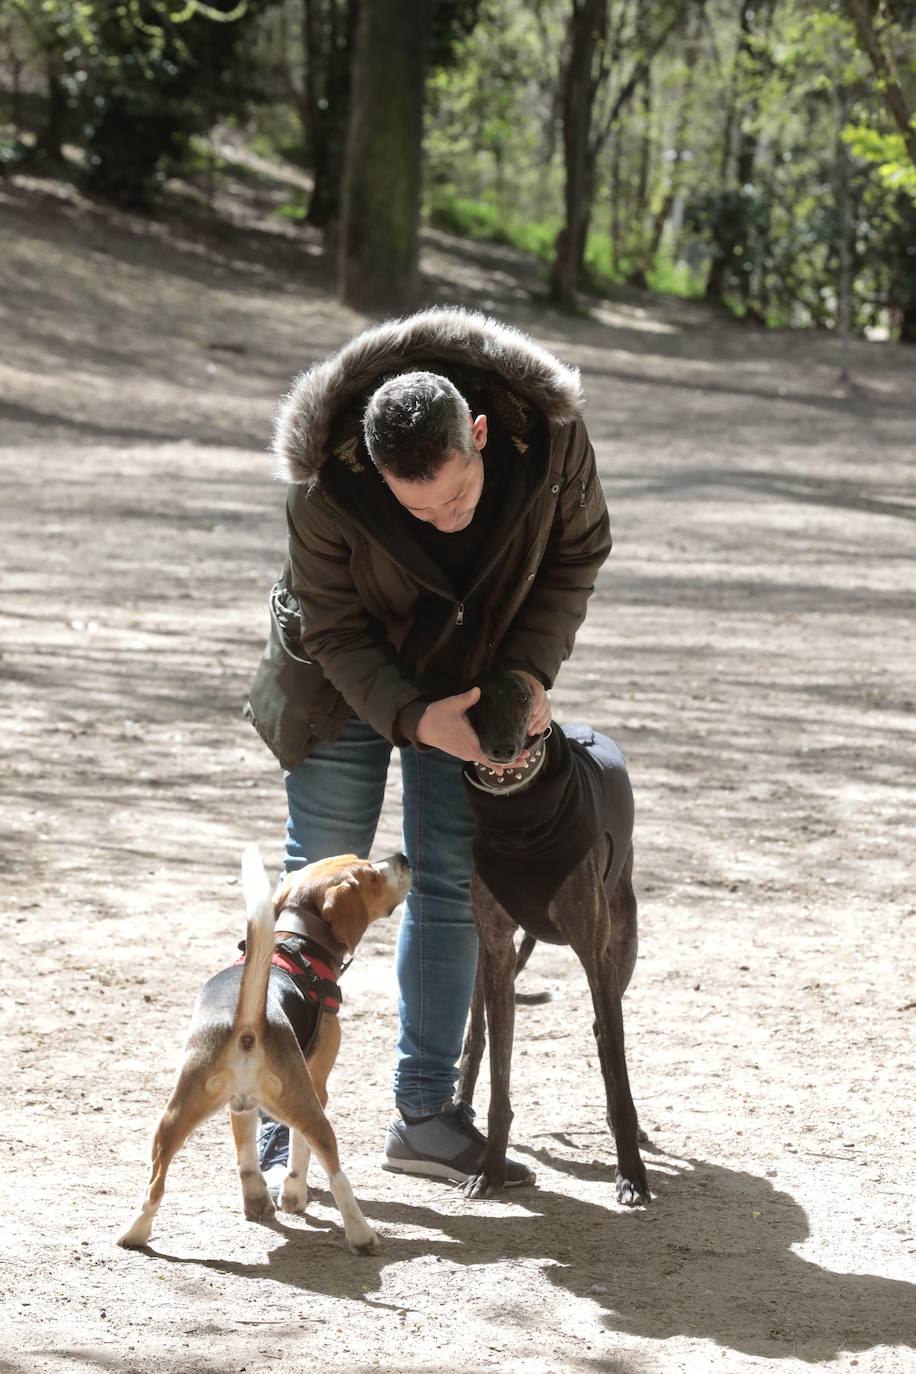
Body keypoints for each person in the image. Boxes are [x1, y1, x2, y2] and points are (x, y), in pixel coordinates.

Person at [244, 307, 611, 1186]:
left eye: (458, 497)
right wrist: (412, 718)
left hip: (479, 677)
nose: (446, 522)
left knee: (450, 879)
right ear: (375, 470)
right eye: (419, 510)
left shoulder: (553, 441)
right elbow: (331, 627)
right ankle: (275, 1112)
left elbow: (579, 551)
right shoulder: (323, 480)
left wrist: (522, 680)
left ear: (480, 433)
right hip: (341, 684)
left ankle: (425, 1115)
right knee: (316, 873)